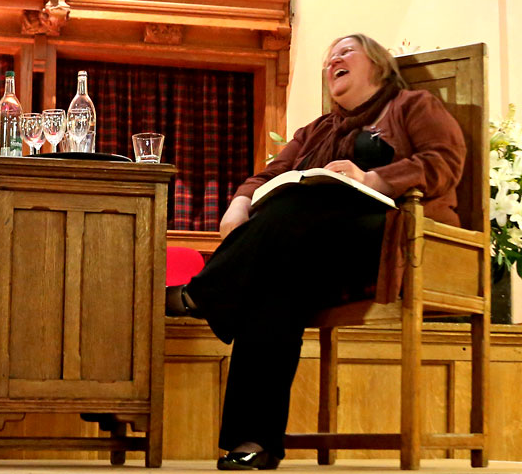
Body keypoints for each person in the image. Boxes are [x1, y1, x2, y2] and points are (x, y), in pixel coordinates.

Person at [165, 34, 466, 470]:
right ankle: (254, 442)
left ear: (378, 65)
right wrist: (240, 202)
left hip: (390, 242)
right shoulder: (317, 130)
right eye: (328, 58)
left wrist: (371, 180)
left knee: (298, 204)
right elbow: (270, 173)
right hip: (317, 252)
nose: (333, 61)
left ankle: (202, 293)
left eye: (345, 52)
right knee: (272, 287)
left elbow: (443, 161)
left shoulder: (413, 105)